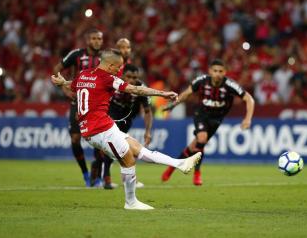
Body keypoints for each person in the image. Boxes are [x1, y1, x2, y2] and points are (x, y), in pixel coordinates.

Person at [51, 49, 201, 210]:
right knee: (129, 160)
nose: (119, 71)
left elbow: (73, 85)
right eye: (118, 67)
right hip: (99, 130)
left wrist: (62, 82)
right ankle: (131, 202)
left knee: (138, 149)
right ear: (109, 65)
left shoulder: (83, 75)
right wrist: (162, 94)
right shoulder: (108, 78)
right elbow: (135, 89)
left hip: (99, 127)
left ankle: (180, 164)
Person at [161, 59, 255, 186]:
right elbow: (187, 93)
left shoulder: (230, 85)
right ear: (210, 71)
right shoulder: (201, 81)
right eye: (215, 71)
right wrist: (173, 105)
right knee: (202, 138)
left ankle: (171, 168)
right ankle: (197, 174)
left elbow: (249, 99)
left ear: (225, 72)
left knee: (194, 146)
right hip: (201, 114)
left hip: (216, 119)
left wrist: (247, 119)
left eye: (220, 71)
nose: (217, 74)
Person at [53, 29, 103, 187]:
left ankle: (98, 175)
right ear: (88, 40)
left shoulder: (106, 58)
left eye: (99, 39)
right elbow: (56, 69)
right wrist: (65, 90)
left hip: (97, 105)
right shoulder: (76, 55)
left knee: (101, 141)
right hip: (78, 102)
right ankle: (85, 174)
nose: (96, 41)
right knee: (75, 139)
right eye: (93, 38)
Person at [101, 64, 153, 189]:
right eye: (128, 77)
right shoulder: (113, 82)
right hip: (110, 117)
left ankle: (105, 176)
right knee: (120, 148)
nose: (131, 80)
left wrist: (148, 131)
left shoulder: (141, 88)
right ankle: (107, 178)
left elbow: (147, 111)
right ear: (122, 75)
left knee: (117, 150)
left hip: (127, 120)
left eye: (134, 77)